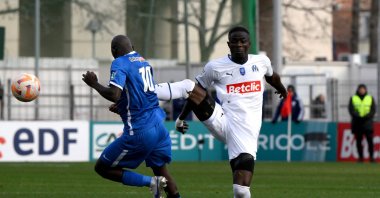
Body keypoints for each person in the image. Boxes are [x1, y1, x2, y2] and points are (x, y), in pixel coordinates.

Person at [173, 26, 287, 198]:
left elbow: (272, 77)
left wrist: (282, 89)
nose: (239, 45)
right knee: (191, 87)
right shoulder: (214, 67)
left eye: (242, 41)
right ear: (229, 44)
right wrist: (181, 118)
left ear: (249, 44)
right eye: (235, 41)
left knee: (240, 190)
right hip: (222, 120)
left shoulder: (261, 62)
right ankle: (151, 90)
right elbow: (196, 91)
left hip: (246, 130)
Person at [82, 35, 182, 198]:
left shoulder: (119, 62)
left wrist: (94, 83)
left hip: (140, 130)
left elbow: (114, 94)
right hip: (159, 127)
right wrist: (123, 106)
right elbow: (143, 95)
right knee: (162, 171)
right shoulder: (143, 62)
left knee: (102, 168)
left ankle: (151, 183)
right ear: (132, 46)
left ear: (114, 50)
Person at [348, 84, 376, 163]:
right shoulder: (353, 98)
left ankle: (371, 157)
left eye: (363, 89)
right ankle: (360, 158)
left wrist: (367, 116)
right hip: (357, 123)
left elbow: (373, 110)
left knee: (370, 141)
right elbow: (351, 109)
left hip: (367, 123)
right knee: (358, 141)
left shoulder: (370, 98)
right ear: (358, 90)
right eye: (360, 89)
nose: (362, 90)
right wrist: (358, 116)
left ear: (366, 90)